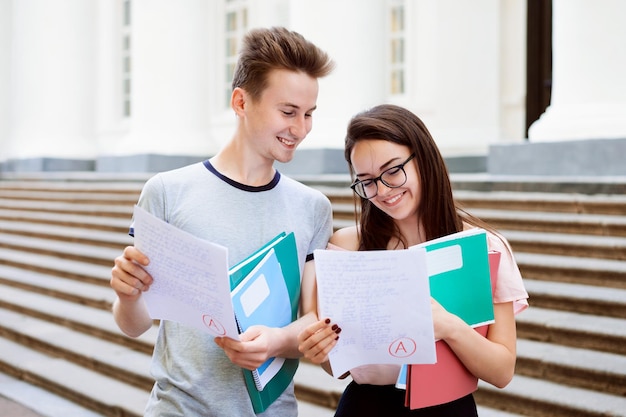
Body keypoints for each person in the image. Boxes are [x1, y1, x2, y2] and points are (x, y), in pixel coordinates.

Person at [110, 26, 335, 416]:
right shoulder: (167, 192)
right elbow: (135, 324)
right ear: (241, 102)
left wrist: (277, 340)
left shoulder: (312, 207)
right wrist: (128, 295)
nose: (300, 129)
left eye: (309, 114)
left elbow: (316, 321)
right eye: (288, 112)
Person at [298, 104, 529, 416]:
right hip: (365, 407)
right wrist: (322, 350)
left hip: (448, 408)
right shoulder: (347, 246)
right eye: (367, 180)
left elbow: (502, 371)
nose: (382, 191)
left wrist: (449, 327)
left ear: (423, 159)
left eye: (393, 170)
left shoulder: (484, 247)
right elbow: (338, 369)